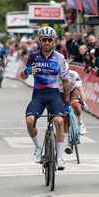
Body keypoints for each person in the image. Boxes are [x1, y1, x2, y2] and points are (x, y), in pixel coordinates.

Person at [21, 26, 71, 170]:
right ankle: (37, 148)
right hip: (38, 94)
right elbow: (22, 76)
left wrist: (66, 103)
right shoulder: (33, 56)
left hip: (54, 94)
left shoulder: (60, 57)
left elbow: (66, 81)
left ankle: (60, 157)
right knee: (30, 120)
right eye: (44, 40)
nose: (47, 42)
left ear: (54, 41)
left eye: (50, 40)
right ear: (40, 41)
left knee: (59, 121)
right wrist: (27, 70)